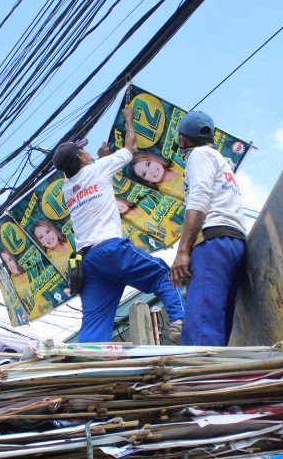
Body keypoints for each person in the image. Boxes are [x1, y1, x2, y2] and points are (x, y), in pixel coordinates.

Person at [52, 108, 185, 343]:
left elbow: (92, 182)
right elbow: (131, 150)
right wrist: (128, 119)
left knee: (94, 321)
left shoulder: (66, 190)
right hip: (110, 250)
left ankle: (87, 366)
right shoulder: (97, 169)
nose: (86, 151)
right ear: (82, 158)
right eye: (83, 150)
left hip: (89, 263)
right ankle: (181, 321)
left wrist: (103, 159)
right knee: (162, 274)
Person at [169, 111, 247, 347]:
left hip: (212, 243)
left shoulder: (199, 155)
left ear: (183, 139)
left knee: (201, 326)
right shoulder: (221, 161)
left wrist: (183, 251)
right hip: (234, 242)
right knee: (218, 326)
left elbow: (199, 200)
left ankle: (199, 382)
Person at [0, 248, 48, 318]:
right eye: (6, 262)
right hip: (33, 316)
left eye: (10, 260)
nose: (9, 264)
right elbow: (11, 304)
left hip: (48, 307)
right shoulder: (10, 282)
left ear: (15, 258)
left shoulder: (29, 270)